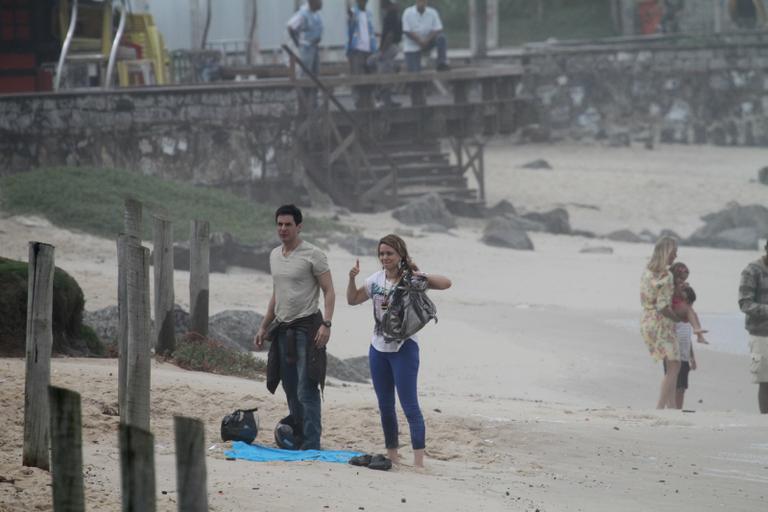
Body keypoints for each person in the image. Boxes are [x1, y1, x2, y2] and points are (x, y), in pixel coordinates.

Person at [346, 234, 451, 467]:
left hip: (404, 348)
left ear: (400, 255)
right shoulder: (375, 280)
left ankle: (419, 462)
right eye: (381, 253)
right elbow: (352, 300)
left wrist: (419, 274)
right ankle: (392, 455)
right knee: (385, 405)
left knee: (410, 405)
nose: (385, 257)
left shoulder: (411, 280)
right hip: (378, 348)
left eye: (389, 253)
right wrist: (351, 279)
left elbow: (446, 283)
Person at [254, 204, 336, 449]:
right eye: (279, 224)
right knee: (289, 387)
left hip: (307, 327)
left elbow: (329, 290)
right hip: (282, 329)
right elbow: (277, 294)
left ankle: (311, 443)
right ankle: (299, 435)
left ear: (299, 227)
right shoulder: (274, 255)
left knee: (306, 388)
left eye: (288, 224)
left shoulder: (313, 254)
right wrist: (263, 326)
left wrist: (327, 324)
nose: (283, 229)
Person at [640, 236, 683, 409]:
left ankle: (672, 407)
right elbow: (663, 306)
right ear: (666, 252)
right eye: (674, 252)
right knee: (674, 364)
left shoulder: (647, 272)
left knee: (670, 363)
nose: (676, 256)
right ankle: (660, 407)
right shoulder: (666, 275)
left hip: (646, 321)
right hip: (661, 323)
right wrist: (678, 318)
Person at [738, 238, 768, 414]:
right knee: (765, 382)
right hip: (761, 334)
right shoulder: (752, 270)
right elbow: (744, 304)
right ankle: (765, 421)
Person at [664, 284, 700, 409]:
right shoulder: (673, 316)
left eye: (690, 303)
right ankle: (670, 407)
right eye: (685, 302)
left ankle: (678, 408)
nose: (687, 306)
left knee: (682, 386)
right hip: (671, 354)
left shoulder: (688, 318)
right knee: (671, 382)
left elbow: (688, 340)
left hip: (684, 357)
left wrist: (692, 358)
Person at [401, 0, 449, 72]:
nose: (422, 3)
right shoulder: (407, 12)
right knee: (414, 73)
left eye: (424, 1)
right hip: (412, 46)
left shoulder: (433, 12)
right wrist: (419, 41)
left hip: (428, 42)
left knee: (441, 37)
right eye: (420, 1)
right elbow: (406, 30)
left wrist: (426, 40)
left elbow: (438, 28)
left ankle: (441, 63)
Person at [670, 262, 709, 345]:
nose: (682, 281)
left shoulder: (681, 286)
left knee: (693, 313)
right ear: (674, 276)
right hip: (674, 308)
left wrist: (685, 288)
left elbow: (689, 297)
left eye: (684, 279)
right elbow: (677, 294)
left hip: (680, 310)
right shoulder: (671, 285)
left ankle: (699, 336)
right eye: (680, 279)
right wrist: (680, 288)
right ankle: (696, 330)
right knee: (689, 310)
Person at [287, 0, 324, 77]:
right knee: (306, 73)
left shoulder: (316, 13)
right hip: (306, 49)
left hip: (315, 47)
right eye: (319, 1)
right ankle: (305, 89)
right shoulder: (303, 14)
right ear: (312, 2)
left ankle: (313, 89)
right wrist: (298, 43)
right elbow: (290, 27)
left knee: (315, 74)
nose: (321, 3)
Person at [346, 0, 377, 75]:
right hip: (357, 50)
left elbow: (370, 30)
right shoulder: (354, 13)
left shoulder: (369, 14)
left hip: (370, 49)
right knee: (357, 75)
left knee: (370, 75)